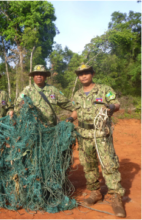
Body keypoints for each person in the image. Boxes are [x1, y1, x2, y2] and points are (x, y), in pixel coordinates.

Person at [70, 64, 125, 217]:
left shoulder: (104, 89)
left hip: (101, 132)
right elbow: (75, 111)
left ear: (92, 74)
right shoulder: (77, 94)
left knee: (108, 163)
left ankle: (115, 196)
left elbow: (117, 103)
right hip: (83, 134)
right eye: (80, 74)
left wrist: (110, 108)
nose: (83, 76)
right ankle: (95, 192)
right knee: (89, 165)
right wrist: (69, 119)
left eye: (86, 73)